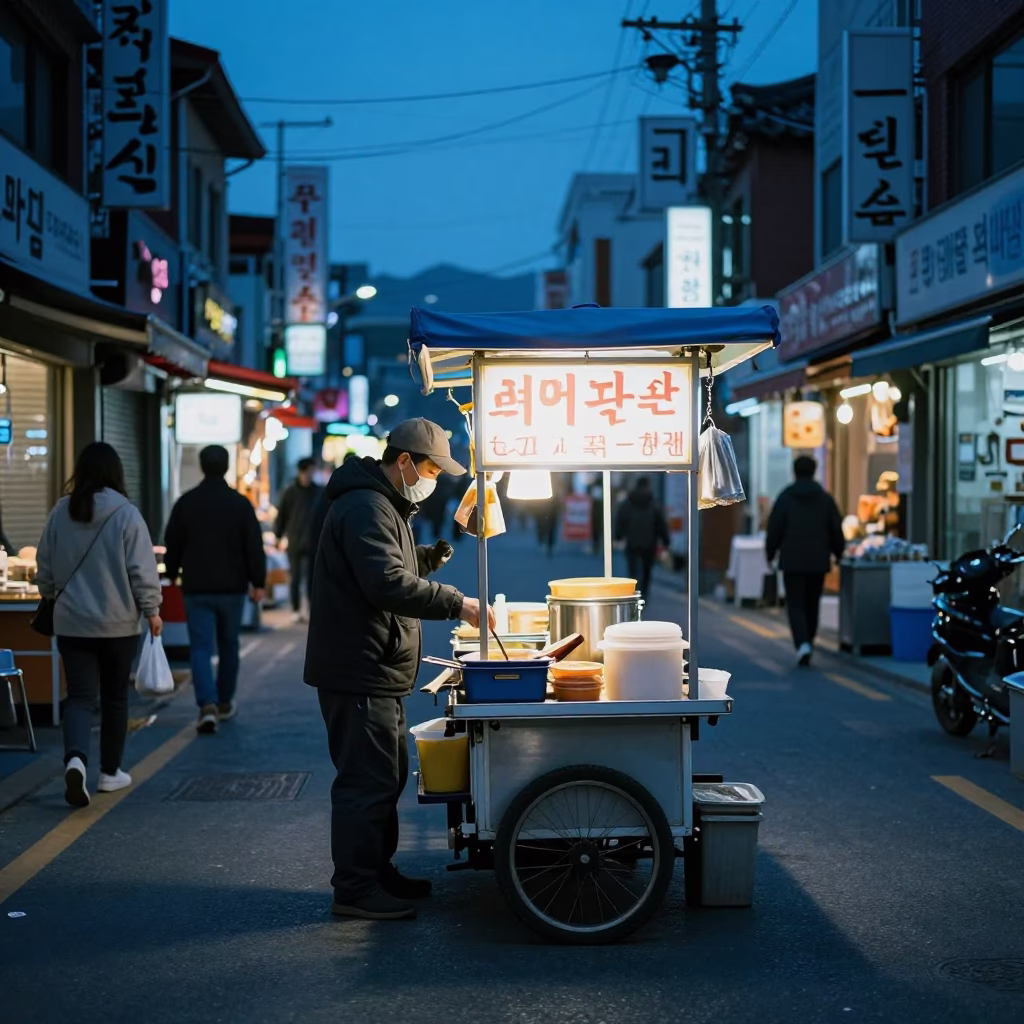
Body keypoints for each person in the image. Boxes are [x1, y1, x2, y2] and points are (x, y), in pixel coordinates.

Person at [304, 418, 493, 922]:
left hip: (373, 662)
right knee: (366, 780)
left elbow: (391, 566)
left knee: (383, 776)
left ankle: (376, 872)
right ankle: (356, 888)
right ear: (404, 461)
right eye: (431, 468)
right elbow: (384, 583)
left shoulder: (384, 503)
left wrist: (430, 556)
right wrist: (459, 603)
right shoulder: (366, 505)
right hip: (358, 664)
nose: (433, 479)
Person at [35, 442, 163, 808]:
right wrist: (152, 610)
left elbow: (45, 568)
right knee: (115, 697)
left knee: (78, 697)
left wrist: (51, 594)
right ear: (115, 472)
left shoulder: (62, 511)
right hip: (119, 625)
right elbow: (142, 570)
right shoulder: (126, 513)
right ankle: (110, 773)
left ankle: (76, 758)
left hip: (72, 624)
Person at [164, 445, 266, 733]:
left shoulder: (187, 502)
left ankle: (206, 704)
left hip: (196, 586)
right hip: (232, 588)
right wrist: (258, 582)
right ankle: (224, 702)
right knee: (229, 644)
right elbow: (253, 546)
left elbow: (173, 542)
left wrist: (172, 573)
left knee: (200, 647)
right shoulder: (239, 504)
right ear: (226, 466)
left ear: (201, 466)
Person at [766, 455, 845, 667]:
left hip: (792, 559)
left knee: (795, 604)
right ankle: (808, 640)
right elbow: (835, 529)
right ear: (814, 471)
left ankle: (802, 643)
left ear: (794, 472)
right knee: (812, 603)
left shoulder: (785, 498)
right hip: (818, 560)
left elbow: (774, 528)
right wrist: (839, 553)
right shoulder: (825, 499)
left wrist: (770, 553)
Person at [275, 457, 322, 623]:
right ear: (301, 471)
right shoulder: (290, 492)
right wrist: (278, 535)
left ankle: (311, 609)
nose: (311, 474)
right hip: (295, 540)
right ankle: (295, 609)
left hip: (314, 540)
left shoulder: (319, 492)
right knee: (295, 577)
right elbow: (282, 516)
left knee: (313, 578)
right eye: (309, 471)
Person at [615, 476, 670, 598]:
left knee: (633, 570)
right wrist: (666, 541)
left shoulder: (628, 502)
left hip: (632, 542)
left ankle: (633, 592)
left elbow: (621, 519)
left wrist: (618, 536)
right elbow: (661, 524)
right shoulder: (653, 503)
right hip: (649, 543)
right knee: (647, 571)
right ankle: (644, 593)